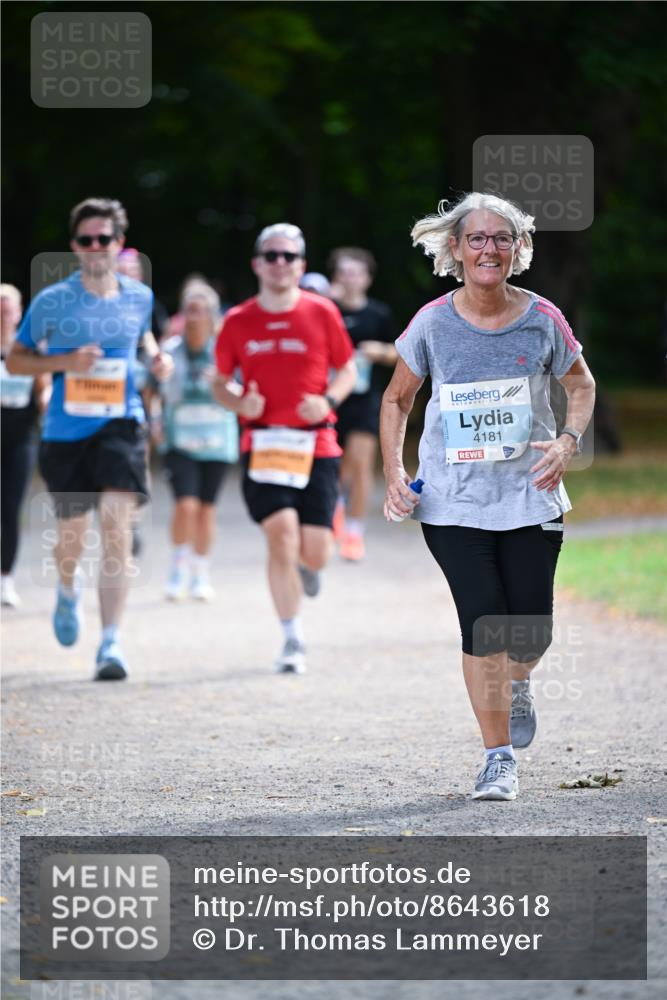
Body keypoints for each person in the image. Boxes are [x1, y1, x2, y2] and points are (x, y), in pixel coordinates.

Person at [381, 193, 595, 801]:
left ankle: (517, 681)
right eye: (477, 238)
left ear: (518, 248)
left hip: (531, 493)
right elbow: (397, 399)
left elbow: (581, 384)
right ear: (455, 249)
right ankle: (497, 758)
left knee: (530, 633)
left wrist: (569, 440)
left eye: (501, 238)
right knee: (484, 625)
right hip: (454, 502)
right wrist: (395, 470)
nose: (489, 249)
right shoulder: (432, 323)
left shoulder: (542, 318)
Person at [6, 196, 172, 680]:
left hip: (120, 424)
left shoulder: (138, 297)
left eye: (105, 239)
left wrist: (158, 361)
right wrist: (64, 362)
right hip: (65, 431)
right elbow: (16, 360)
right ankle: (65, 587)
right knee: (73, 538)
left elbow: (144, 343)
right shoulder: (51, 301)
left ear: (119, 244)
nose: (96, 247)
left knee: (117, 528)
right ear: (75, 246)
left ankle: (111, 642)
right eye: (87, 240)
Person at [214, 223, 356, 674]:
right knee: (280, 536)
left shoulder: (322, 312)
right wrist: (238, 401)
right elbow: (218, 382)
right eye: (271, 255)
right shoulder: (237, 320)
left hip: (316, 445)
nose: (280, 263)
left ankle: (308, 567)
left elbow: (347, 370)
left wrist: (327, 401)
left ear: (302, 266)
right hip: (263, 442)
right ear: (257, 263)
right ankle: (292, 637)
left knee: (314, 552)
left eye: (289, 256)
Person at [151, 281, 238, 601]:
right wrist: (155, 420)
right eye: (189, 310)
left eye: (201, 312)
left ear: (213, 315)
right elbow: (153, 389)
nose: (193, 317)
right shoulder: (169, 350)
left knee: (206, 510)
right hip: (179, 440)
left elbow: (242, 394)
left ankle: (200, 572)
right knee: (185, 505)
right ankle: (177, 566)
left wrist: (223, 384)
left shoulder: (226, 351)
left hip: (218, 440)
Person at [327, 247, 397, 561]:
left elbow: (399, 353)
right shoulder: (325, 309)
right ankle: (336, 510)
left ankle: (355, 532)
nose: (349, 279)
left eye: (355, 273)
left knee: (361, 462)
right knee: (334, 466)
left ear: (367, 279)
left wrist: (378, 352)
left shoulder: (378, 314)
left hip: (365, 399)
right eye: (343, 273)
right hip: (328, 398)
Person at [1, 284, 51, 607]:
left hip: (20, 439)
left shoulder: (31, 350)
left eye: (7, 310)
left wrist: (51, 404)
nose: (3, 316)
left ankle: (6, 580)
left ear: (19, 313)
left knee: (9, 509)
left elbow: (43, 391)